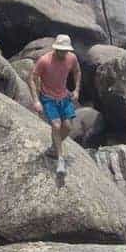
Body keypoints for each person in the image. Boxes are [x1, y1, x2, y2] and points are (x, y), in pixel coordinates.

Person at [29, 34, 81, 175]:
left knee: (68, 127)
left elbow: (77, 71)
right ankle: (60, 159)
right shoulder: (44, 61)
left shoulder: (71, 58)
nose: (63, 53)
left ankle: (53, 147)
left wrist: (76, 90)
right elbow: (33, 78)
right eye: (60, 50)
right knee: (56, 126)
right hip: (48, 98)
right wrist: (36, 100)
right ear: (56, 48)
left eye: (65, 50)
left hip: (64, 96)